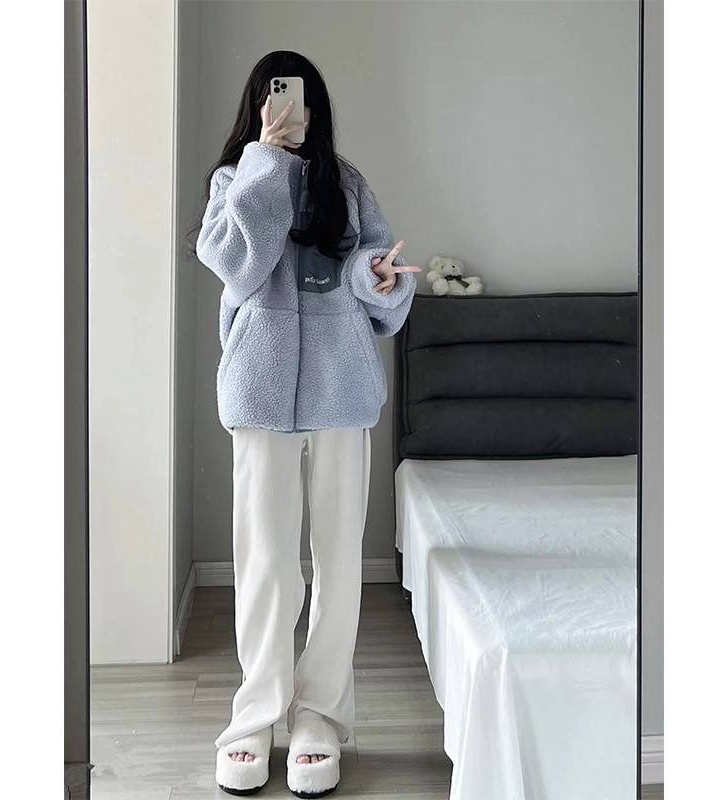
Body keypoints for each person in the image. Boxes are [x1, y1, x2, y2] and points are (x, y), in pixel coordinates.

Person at [191, 50, 420, 797]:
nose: (288, 109)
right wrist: (264, 163)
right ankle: (255, 715)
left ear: (316, 109)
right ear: (257, 107)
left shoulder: (345, 185)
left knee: (338, 560)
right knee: (264, 561)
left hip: (340, 386)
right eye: (274, 96)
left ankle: (320, 713)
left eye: (299, 98)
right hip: (260, 391)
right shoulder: (234, 181)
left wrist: (375, 279)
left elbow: (368, 270)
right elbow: (235, 265)